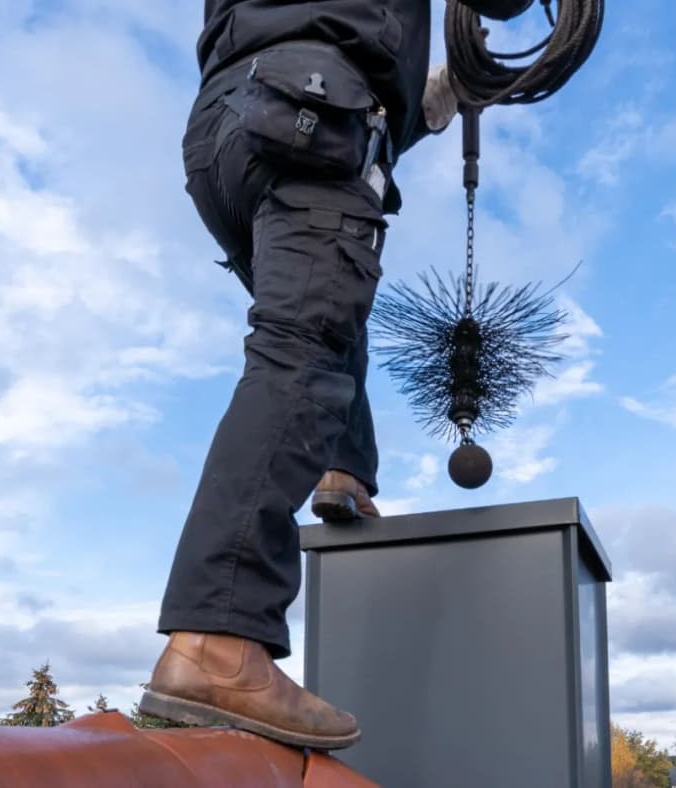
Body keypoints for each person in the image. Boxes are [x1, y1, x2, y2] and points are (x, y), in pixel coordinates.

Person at [138, 0, 459, 750]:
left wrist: (431, 101)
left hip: (225, 129)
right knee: (303, 348)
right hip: (313, 107)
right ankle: (218, 639)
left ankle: (344, 471)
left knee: (322, 315)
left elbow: (318, 22)